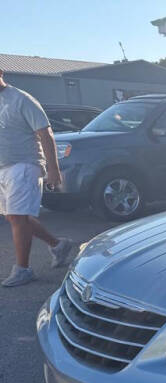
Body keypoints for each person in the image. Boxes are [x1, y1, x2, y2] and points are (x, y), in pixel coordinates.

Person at [0, 67, 74, 287]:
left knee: (18, 217)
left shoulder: (21, 99)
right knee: (14, 218)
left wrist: (53, 169)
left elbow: (45, 133)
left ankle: (23, 269)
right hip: (3, 167)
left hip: (24, 165)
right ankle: (59, 245)